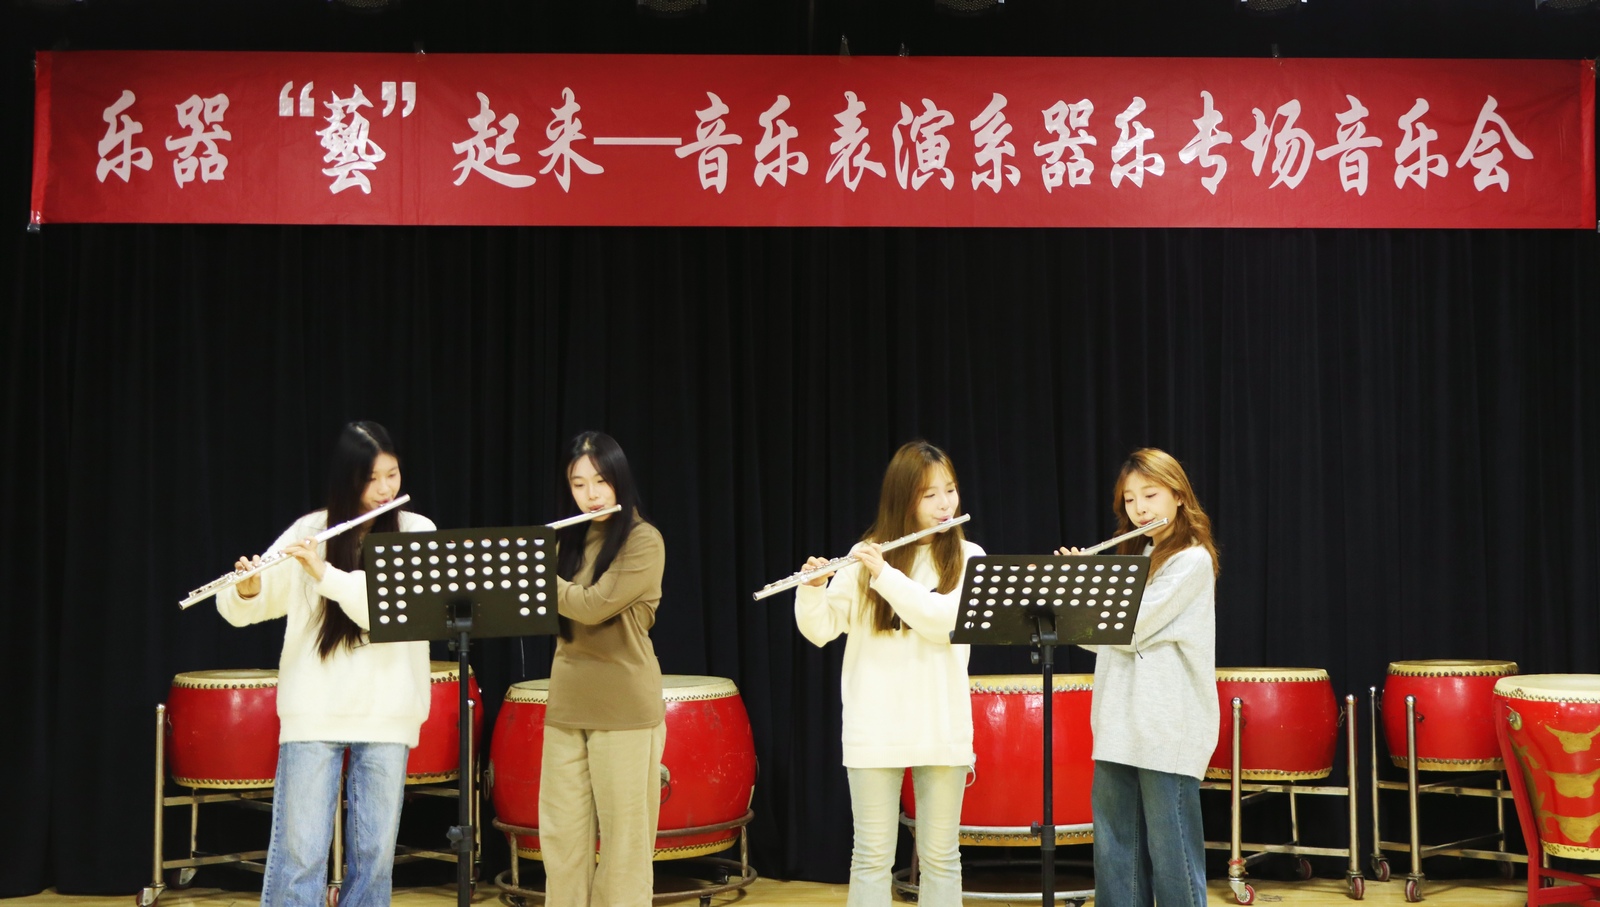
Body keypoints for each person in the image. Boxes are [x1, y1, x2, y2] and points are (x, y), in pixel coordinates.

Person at [216, 421, 434, 907]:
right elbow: (247, 607)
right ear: (346, 479)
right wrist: (247, 588)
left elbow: (387, 613)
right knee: (299, 856)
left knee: (374, 859)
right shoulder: (311, 531)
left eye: (392, 475)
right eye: (371, 479)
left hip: (388, 709)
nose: (384, 489)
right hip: (314, 709)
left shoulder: (418, 532)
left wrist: (324, 573)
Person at [794, 440, 981, 907]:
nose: (945, 504)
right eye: (929, 495)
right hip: (875, 724)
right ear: (903, 499)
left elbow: (943, 623)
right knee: (871, 857)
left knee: (941, 858)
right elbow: (820, 630)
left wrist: (885, 576)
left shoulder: (969, 556)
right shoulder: (866, 558)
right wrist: (811, 589)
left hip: (941, 725)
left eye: (950, 490)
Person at [1058, 447, 1220, 907]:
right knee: (1115, 853)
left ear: (1178, 496)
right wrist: (1070, 593)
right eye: (1130, 500)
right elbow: (1094, 640)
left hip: (1167, 726)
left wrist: (1081, 586)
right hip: (1118, 721)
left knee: (1173, 855)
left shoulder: (1191, 559)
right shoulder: (1137, 555)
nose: (1140, 509)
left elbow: (1129, 628)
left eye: (1150, 495)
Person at [541, 430, 667, 907]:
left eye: (600, 481)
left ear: (620, 480)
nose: (590, 494)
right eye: (578, 484)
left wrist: (534, 574)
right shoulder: (565, 541)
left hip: (624, 707)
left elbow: (593, 606)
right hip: (567, 703)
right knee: (562, 842)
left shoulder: (643, 540)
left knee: (624, 847)